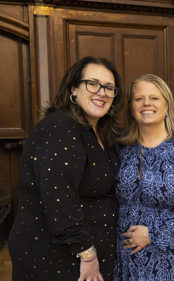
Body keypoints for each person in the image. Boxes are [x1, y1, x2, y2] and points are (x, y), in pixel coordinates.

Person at [8, 56, 123, 281]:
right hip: (60, 256)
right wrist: (88, 255)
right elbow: (59, 198)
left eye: (109, 87)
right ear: (73, 89)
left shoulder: (101, 134)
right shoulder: (60, 126)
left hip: (89, 254)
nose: (102, 92)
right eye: (93, 83)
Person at [113, 74, 174, 280]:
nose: (146, 103)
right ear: (131, 107)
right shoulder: (120, 149)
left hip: (173, 258)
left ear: (166, 106)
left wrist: (153, 235)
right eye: (139, 98)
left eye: (154, 98)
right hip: (128, 258)